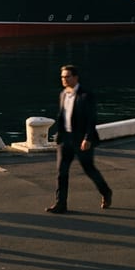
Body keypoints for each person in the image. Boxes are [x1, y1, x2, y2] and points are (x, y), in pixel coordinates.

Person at [45, 64, 112, 213]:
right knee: (61, 172)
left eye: (67, 76)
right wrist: (59, 136)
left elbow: (91, 119)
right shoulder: (63, 94)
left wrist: (87, 138)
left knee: (89, 169)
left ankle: (106, 192)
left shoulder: (86, 95)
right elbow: (62, 116)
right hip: (65, 140)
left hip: (82, 139)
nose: (64, 79)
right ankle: (61, 204)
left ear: (75, 77)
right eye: (62, 77)